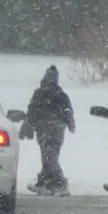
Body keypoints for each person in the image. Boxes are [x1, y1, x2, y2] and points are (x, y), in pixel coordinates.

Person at [25, 64, 75, 192]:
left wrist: (28, 124)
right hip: (57, 129)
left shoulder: (40, 93)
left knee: (48, 154)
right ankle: (45, 181)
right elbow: (68, 111)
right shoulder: (61, 95)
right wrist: (69, 123)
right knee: (51, 154)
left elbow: (32, 110)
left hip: (44, 128)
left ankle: (59, 182)